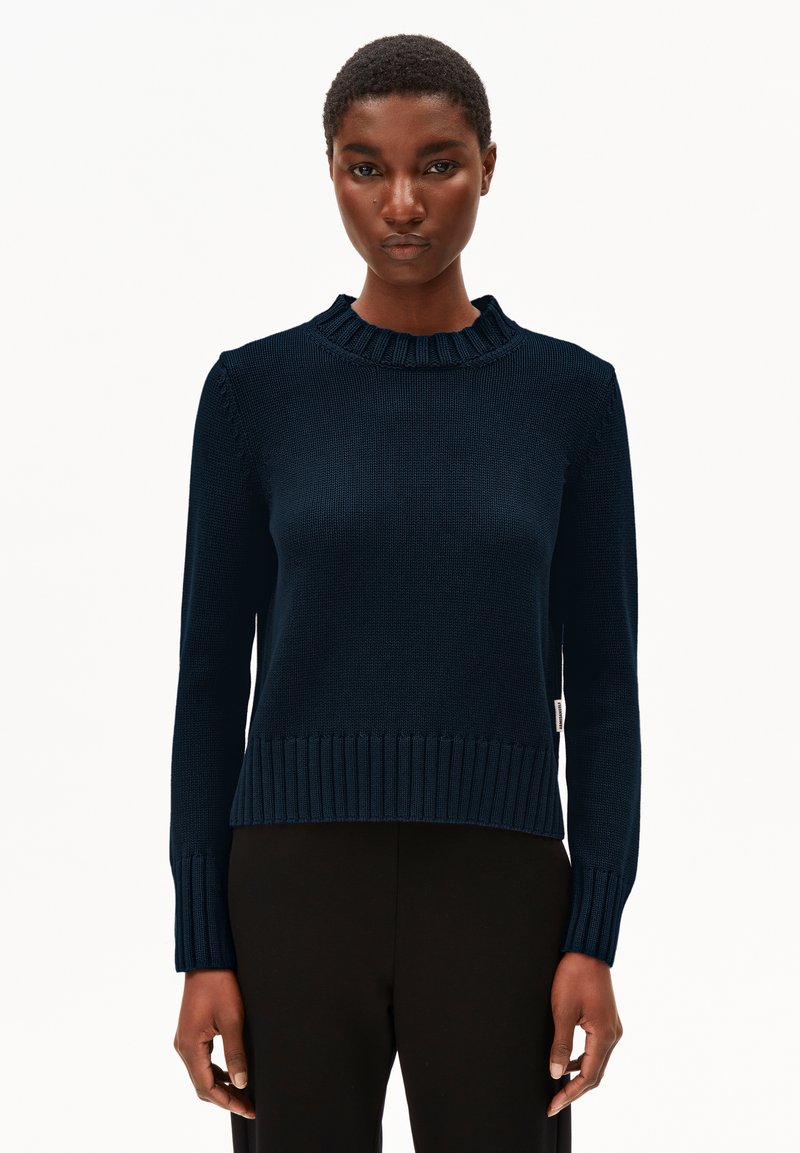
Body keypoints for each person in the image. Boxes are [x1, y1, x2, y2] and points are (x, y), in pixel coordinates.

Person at [169, 32, 641, 1153]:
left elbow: (605, 687)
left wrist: (593, 930)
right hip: (288, 885)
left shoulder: (570, 399)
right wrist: (202, 945)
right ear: (330, 172)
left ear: (487, 166)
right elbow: (208, 684)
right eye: (364, 167)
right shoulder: (254, 393)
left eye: (437, 164)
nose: (401, 203)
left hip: (500, 885)